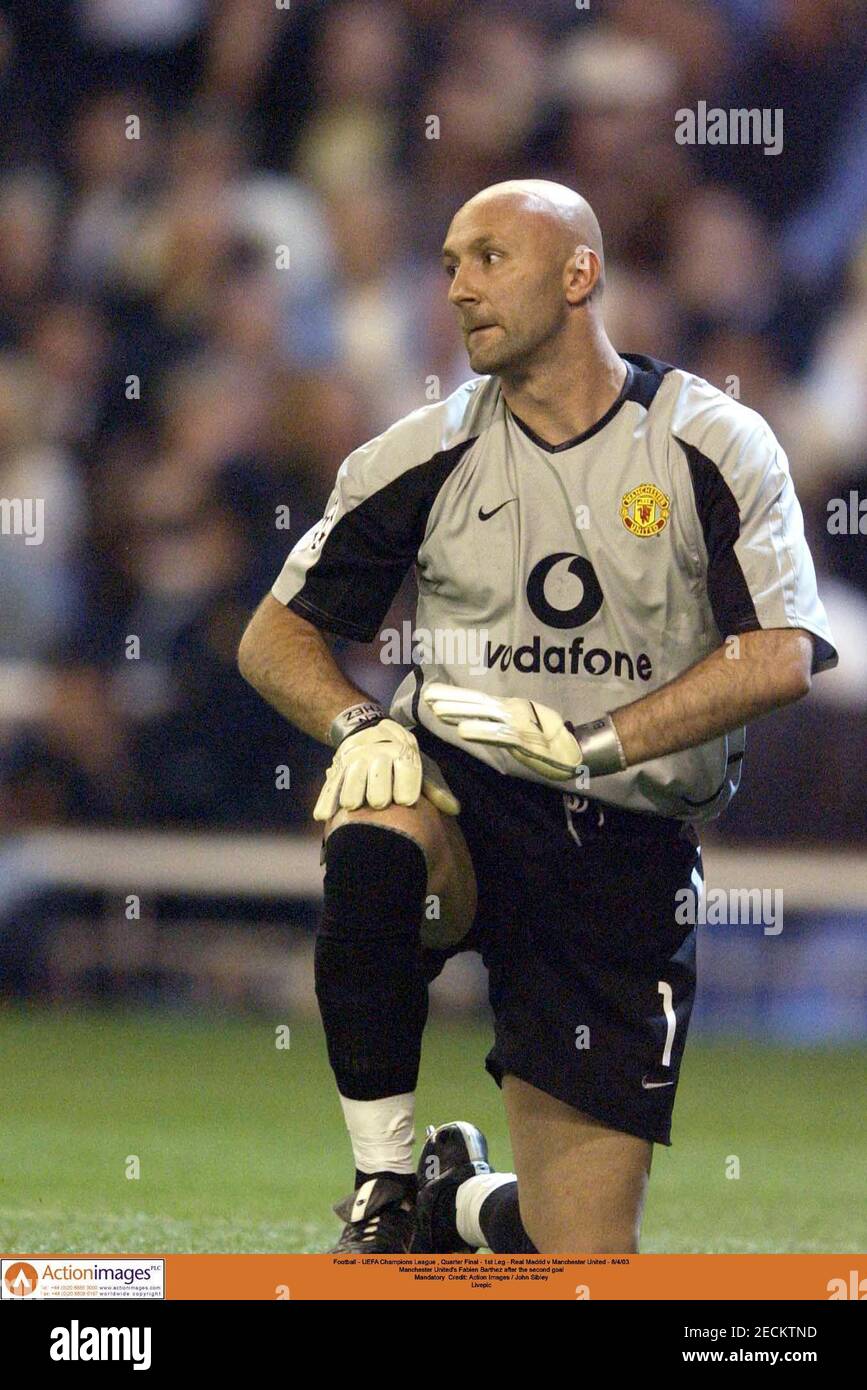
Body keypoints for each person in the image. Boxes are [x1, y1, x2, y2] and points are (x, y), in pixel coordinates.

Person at [237, 179, 837, 1255]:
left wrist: (595, 741)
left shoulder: (713, 442)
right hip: (465, 802)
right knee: (377, 827)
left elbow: (781, 656)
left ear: (579, 275)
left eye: (489, 258)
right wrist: (359, 726)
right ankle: (380, 1183)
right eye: (451, 263)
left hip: (626, 846)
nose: (458, 286)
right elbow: (272, 637)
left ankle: (453, 1199)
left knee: (584, 1259)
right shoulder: (418, 454)